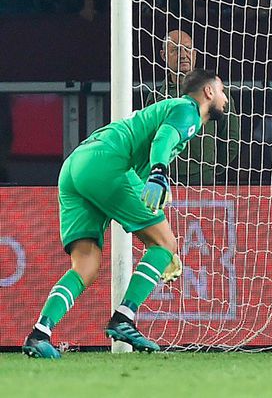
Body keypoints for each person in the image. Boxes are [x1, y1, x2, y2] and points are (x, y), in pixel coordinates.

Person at [22, 69, 229, 358]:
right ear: (208, 92)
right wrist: (159, 172)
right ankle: (124, 318)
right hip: (106, 163)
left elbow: (137, 170)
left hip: (75, 165)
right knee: (166, 243)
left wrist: (158, 242)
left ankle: (39, 334)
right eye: (221, 91)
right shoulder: (188, 110)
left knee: (86, 265)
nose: (225, 99)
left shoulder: (162, 112)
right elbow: (164, 138)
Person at [145, 30, 240, 185]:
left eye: (187, 49)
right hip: (166, 179)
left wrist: (211, 168)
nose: (183, 55)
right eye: (175, 50)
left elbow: (231, 136)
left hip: (204, 180)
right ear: (163, 56)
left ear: (195, 54)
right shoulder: (156, 96)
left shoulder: (215, 92)